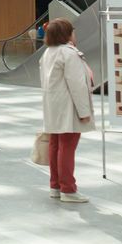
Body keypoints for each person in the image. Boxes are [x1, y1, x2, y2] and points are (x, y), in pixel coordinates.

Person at [39, 18, 95, 204]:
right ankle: (68, 189)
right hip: (69, 106)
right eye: (72, 31)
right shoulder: (69, 54)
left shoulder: (48, 53)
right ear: (67, 34)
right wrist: (84, 112)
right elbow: (77, 85)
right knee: (67, 146)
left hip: (53, 105)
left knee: (55, 145)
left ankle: (55, 186)